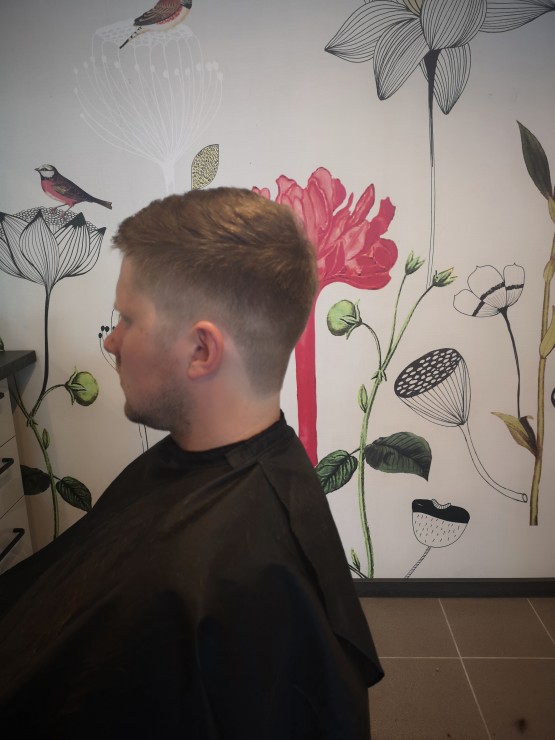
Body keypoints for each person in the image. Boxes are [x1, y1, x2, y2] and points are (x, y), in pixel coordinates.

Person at [0, 188, 383, 738]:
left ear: (201, 351)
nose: (112, 342)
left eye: (127, 318)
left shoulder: (238, 577)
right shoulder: (241, 472)